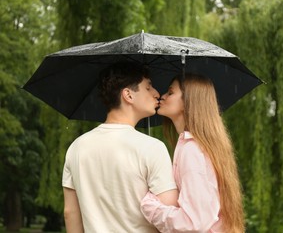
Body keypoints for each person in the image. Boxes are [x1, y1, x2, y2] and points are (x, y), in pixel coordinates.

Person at [62, 61, 178, 232]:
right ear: (128, 95)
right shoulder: (152, 148)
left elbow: (70, 212)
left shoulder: (77, 147)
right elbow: (169, 214)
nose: (156, 94)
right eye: (148, 87)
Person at [141, 73, 245, 233]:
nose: (162, 96)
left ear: (188, 101)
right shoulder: (195, 146)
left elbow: (194, 222)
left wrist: (151, 206)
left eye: (170, 92)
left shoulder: (192, 150)